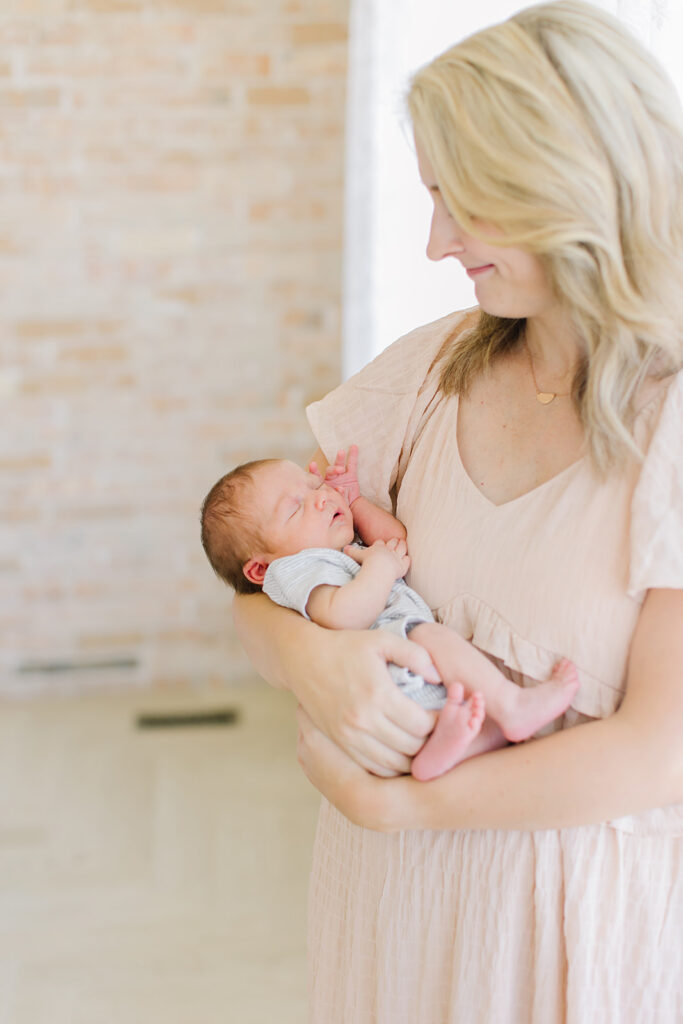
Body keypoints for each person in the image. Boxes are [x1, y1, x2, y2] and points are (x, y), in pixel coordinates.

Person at [232, 1, 683, 1020]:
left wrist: (400, 802)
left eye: (462, 201)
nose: (437, 242)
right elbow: (258, 580)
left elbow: (661, 748)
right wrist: (311, 656)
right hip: (390, 909)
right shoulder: (428, 373)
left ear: (566, 182)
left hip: (571, 938)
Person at [200, 447, 579, 780]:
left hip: (405, 680)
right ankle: (511, 704)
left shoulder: (333, 544)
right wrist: (380, 568)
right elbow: (343, 616)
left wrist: (355, 502)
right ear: (260, 570)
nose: (319, 498)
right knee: (436, 638)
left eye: (314, 486)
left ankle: (447, 748)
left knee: (484, 725)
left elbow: (395, 542)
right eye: (296, 507)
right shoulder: (296, 569)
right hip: (387, 662)